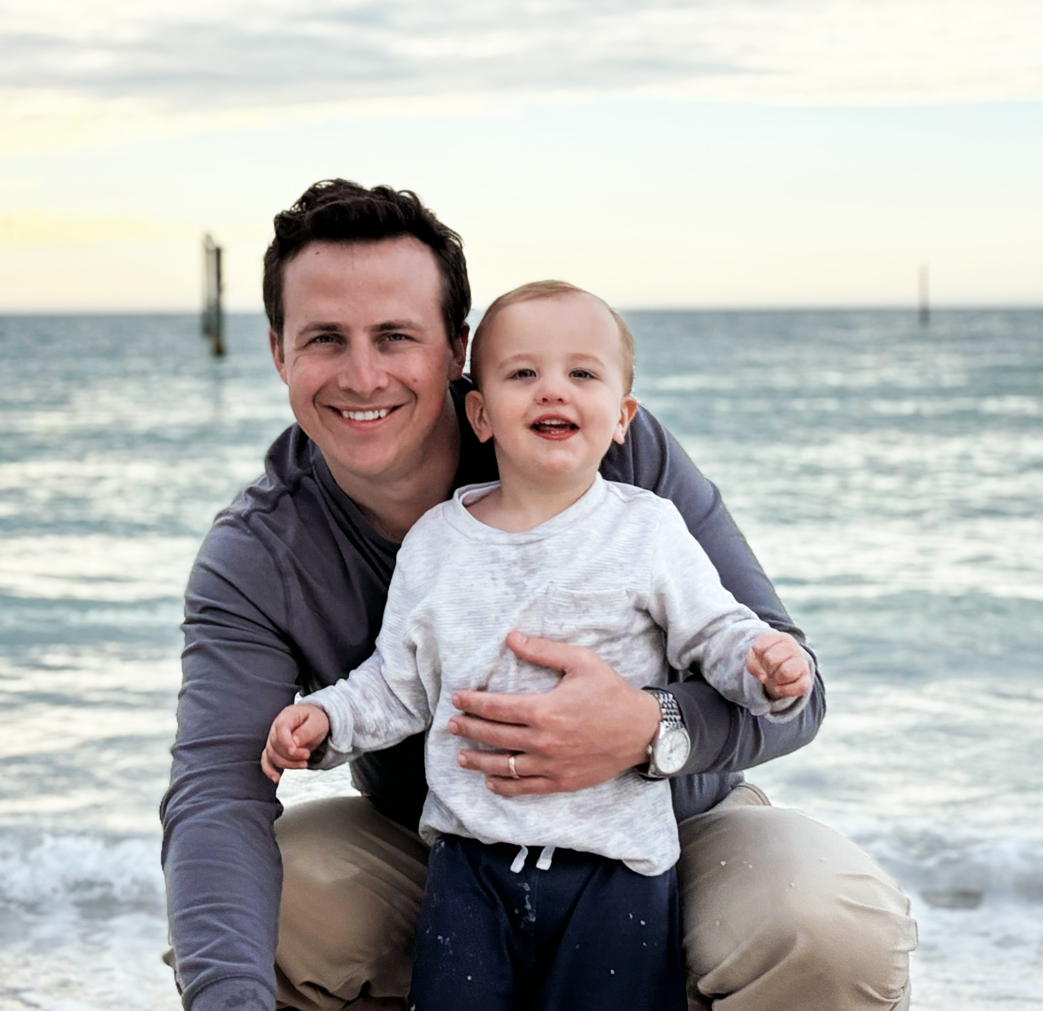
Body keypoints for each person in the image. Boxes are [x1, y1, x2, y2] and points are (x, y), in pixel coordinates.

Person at [160, 179, 916, 1011]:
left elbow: (790, 692)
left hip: (669, 832)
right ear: (278, 352)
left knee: (829, 925)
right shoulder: (260, 550)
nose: (363, 375)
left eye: (395, 336)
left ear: (455, 348)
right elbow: (217, 794)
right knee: (249, 911)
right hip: (445, 849)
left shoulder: (603, 455)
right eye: (325, 339)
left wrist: (648, 727)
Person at [260, 281, 815, 1011]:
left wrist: (762, 664)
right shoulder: (436, 542)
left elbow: (715, 632)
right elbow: (397, 684)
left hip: (615, 867)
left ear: (621, 419)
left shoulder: (645, 529)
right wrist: (328, 724)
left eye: (581, 374)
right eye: (523, 374)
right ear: (480, 413)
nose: (552, 390)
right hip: (467, 864)